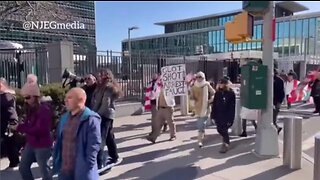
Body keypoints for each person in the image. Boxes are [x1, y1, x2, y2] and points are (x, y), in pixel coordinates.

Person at [9, 75, 53, 180]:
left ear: (35, 96)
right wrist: (18, 126)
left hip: (42, 145)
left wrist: (20, 128)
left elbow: (40, 129)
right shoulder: (31, 109)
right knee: (23, 167)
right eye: (25, 97)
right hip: (31, 143)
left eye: (28, 97)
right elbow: (30, 125)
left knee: (44, 172)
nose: (25, 100)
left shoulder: (44, 109)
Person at [52, 88, 101, 180]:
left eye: (70, 98)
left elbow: (94, 145)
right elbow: (60, 141)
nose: (65, 100)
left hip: (81, 170)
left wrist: (87, 165)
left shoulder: (91, 119)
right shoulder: (64, 118)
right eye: (65, 98)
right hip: (64, 170)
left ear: (81, 99)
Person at [91, 68, 122, 171]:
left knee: (101, 139)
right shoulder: (100, 87)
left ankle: (99, 165)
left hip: (105, 115)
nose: (98, 76)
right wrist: (93, 113)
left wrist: (96, 115)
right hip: (101, 114)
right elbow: (96, 102)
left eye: (100, 74)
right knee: (109, 136)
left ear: (106, 76)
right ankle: (114, 156)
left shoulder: (108, 87)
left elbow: (105, 104)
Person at [146, 78, 176, 144]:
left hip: (168, 108)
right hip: (160, 108)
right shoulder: (158, 89)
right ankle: (153, 138)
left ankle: (173, 136)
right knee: (158, 123)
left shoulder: (170, 88)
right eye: (161, 80)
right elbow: (154, 96)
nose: (162, 82)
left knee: (170, 122)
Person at [190, 71, 215, 148]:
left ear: (203, 77)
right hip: (197, 108)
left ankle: (199, 140)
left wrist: (210, 100)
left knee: (201, 124)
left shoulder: (207, 85)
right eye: (197, 77)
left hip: (205, 108)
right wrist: (193, 106)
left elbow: (213, 93)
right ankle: (202, 135)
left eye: (200, 77)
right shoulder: (194, 86)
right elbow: (191, 97)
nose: (199, 79)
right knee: (200, 124)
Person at [211, 78, 236, 153]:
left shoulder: (231, 93)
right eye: (220, 83)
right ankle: (225, 141)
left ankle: (225, 144)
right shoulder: (218, 93)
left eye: (222, 83)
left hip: (227, 115)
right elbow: (214, 105)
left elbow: (232, 107)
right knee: (219, 129)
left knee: (224, 129)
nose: (220, 85)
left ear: (225, 84)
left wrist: (231, 118)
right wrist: (212, 116)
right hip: (218, 115)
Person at [0, 78, 20, 168]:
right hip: (7, 122)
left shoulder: (6, 96)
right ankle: (14, 161)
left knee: (10, 144)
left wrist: (12, 122)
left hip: (7, 123)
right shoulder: (7, 95)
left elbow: (10, 110)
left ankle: (14, 162)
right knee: (10, 144)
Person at [274, 68, 285, 134]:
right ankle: (276, 128)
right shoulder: (280, 80)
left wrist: (279, 102)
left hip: (276, 101)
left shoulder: (279, 81)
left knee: (273, 117)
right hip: (276, 101)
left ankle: (277, 128)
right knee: (273, 117)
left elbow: (281, 93)